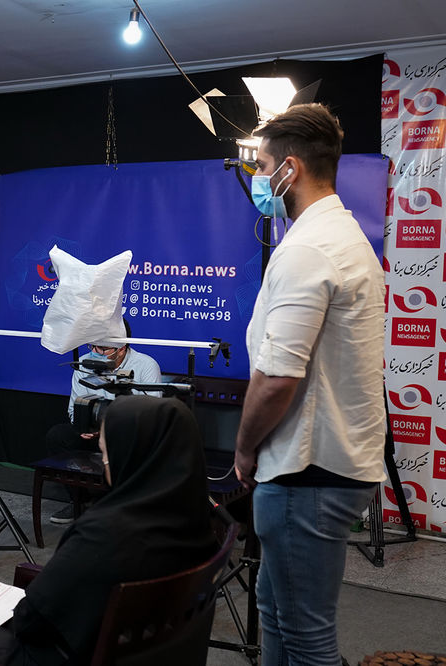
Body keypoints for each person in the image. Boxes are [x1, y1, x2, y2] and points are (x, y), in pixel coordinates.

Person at [0, 396, 218, 664]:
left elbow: (31, 621)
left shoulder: (103, 535)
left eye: (106, 454)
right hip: (125, 646)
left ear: (131, 457)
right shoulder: (196, 524)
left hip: (57, 655)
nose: (103, 463)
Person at [234, 103, 385, 666]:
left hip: (307, 472)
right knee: (275, 612)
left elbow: (277, 378)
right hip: (324, 467)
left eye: (262, 165)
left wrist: (244, 448)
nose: (258, 178)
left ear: (289, 169)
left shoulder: (307, 249)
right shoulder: (341, 236)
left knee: (305, 636)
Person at [46, 318, 161, 523]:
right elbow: (74, 409)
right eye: (93, 346)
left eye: (102, 348)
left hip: (128, 435)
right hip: (94, 432)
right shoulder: (84, 364)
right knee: (58, 435)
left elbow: (151, 416)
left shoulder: (146, 365)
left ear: (121, 348)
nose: (96, 352)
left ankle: (117, 504)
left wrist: (111, 428)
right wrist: (82, 426)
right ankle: (79, 500)